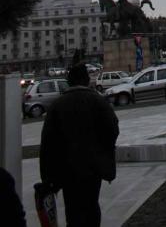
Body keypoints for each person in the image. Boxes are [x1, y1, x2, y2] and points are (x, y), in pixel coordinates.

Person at [39, 62, 119, 227]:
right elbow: (112, 130)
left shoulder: (57, 105)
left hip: (67, 169)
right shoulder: (98, 101)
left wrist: (47, 177)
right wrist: (103, 154)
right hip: (93, 167)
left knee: (73, 210)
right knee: (91, 206)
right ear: (86, 79)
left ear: (69, 81)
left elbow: (47, 143)